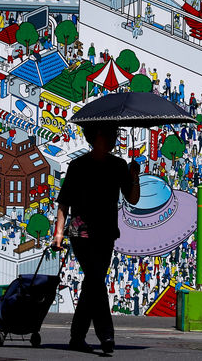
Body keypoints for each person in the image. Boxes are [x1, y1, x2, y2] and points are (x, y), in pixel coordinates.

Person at [53, 123, 140, 354]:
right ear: (98, 135)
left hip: (106, 233)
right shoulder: (78, 165)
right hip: (81, 232)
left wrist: (134, 177)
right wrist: (59, 232)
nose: (115, 138)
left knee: (93, 283)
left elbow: (132, 199)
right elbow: (65, 201)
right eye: (111, 133)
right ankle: (106, 335)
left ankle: (76, 337)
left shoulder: (119, 165)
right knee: (95, 279)